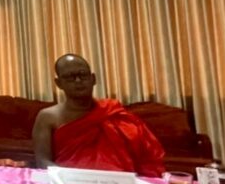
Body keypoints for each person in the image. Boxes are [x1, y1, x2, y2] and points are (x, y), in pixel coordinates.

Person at [32, 54, 166, 177]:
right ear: (59, 83)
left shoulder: (113, 113)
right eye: (70, 77)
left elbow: (145, 158)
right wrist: (71, 179)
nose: (78, 81)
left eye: (83, 75)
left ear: (93, 79)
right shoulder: (48, 117)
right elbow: (43, 161)